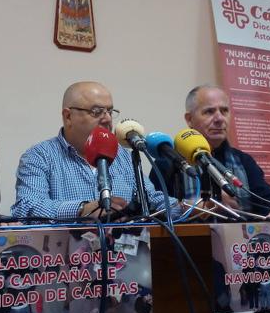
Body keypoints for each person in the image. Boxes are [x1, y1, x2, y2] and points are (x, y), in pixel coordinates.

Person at [11, 81, 175, 220]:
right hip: (67, 255)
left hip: (123, 255)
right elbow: (26, 207)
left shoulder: (122, 156)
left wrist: (188, 207)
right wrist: (83, 209)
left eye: (110, 111)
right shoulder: (40, 156)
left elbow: (152, 199)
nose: (107, 119)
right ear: (68, 117)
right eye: (96, 112)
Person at [151, 85, 270, 217]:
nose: (219, 119)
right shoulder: (167, 162)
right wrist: (206, 205)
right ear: (189, 119)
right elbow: (154, 209)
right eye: (209, 111)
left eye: (224, 111)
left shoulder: (244, 161)